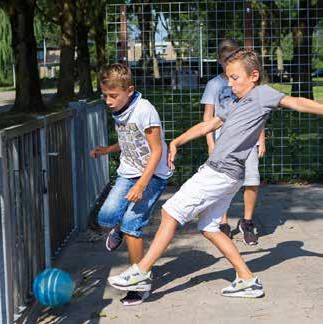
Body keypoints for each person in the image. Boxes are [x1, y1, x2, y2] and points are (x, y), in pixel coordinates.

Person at [107, 49, 323, 299]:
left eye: (235, 78)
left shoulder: (262, 94)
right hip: (229, 175)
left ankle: (141, 271)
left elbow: (296, 102)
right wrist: (176, 142)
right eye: (228, 78)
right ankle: (246, 279)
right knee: (209, 227)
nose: (230, 84)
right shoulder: (234, 103)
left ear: (254, 76)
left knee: (170, 211)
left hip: (220, 172)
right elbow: (208, 124)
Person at [90, 63, 172, 305]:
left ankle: (139, 281)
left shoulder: (144, 110)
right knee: (105, 217)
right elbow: (130, 141)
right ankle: (116, 229)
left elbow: (156, 151)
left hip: (153, 175)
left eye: (113, 96)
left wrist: (141, 185)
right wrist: (108, 149)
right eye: (105, 95)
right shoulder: (121, 110)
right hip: (128, 172)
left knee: (131, 224)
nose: (108, 101)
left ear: (129, 90)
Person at [201, 39, 264, 245]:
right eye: (226, 57)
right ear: (219, 59)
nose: (229, 60)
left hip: (249, 141)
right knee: (223, 182)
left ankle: (247, 221)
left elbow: (258, 113)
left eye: (234, 56)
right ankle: (223, 222)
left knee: (252, 179)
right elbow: (208, 116)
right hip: (224, 143)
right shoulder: (214, 84)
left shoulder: (248, 83)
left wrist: (261, 139)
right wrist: (210, 142)